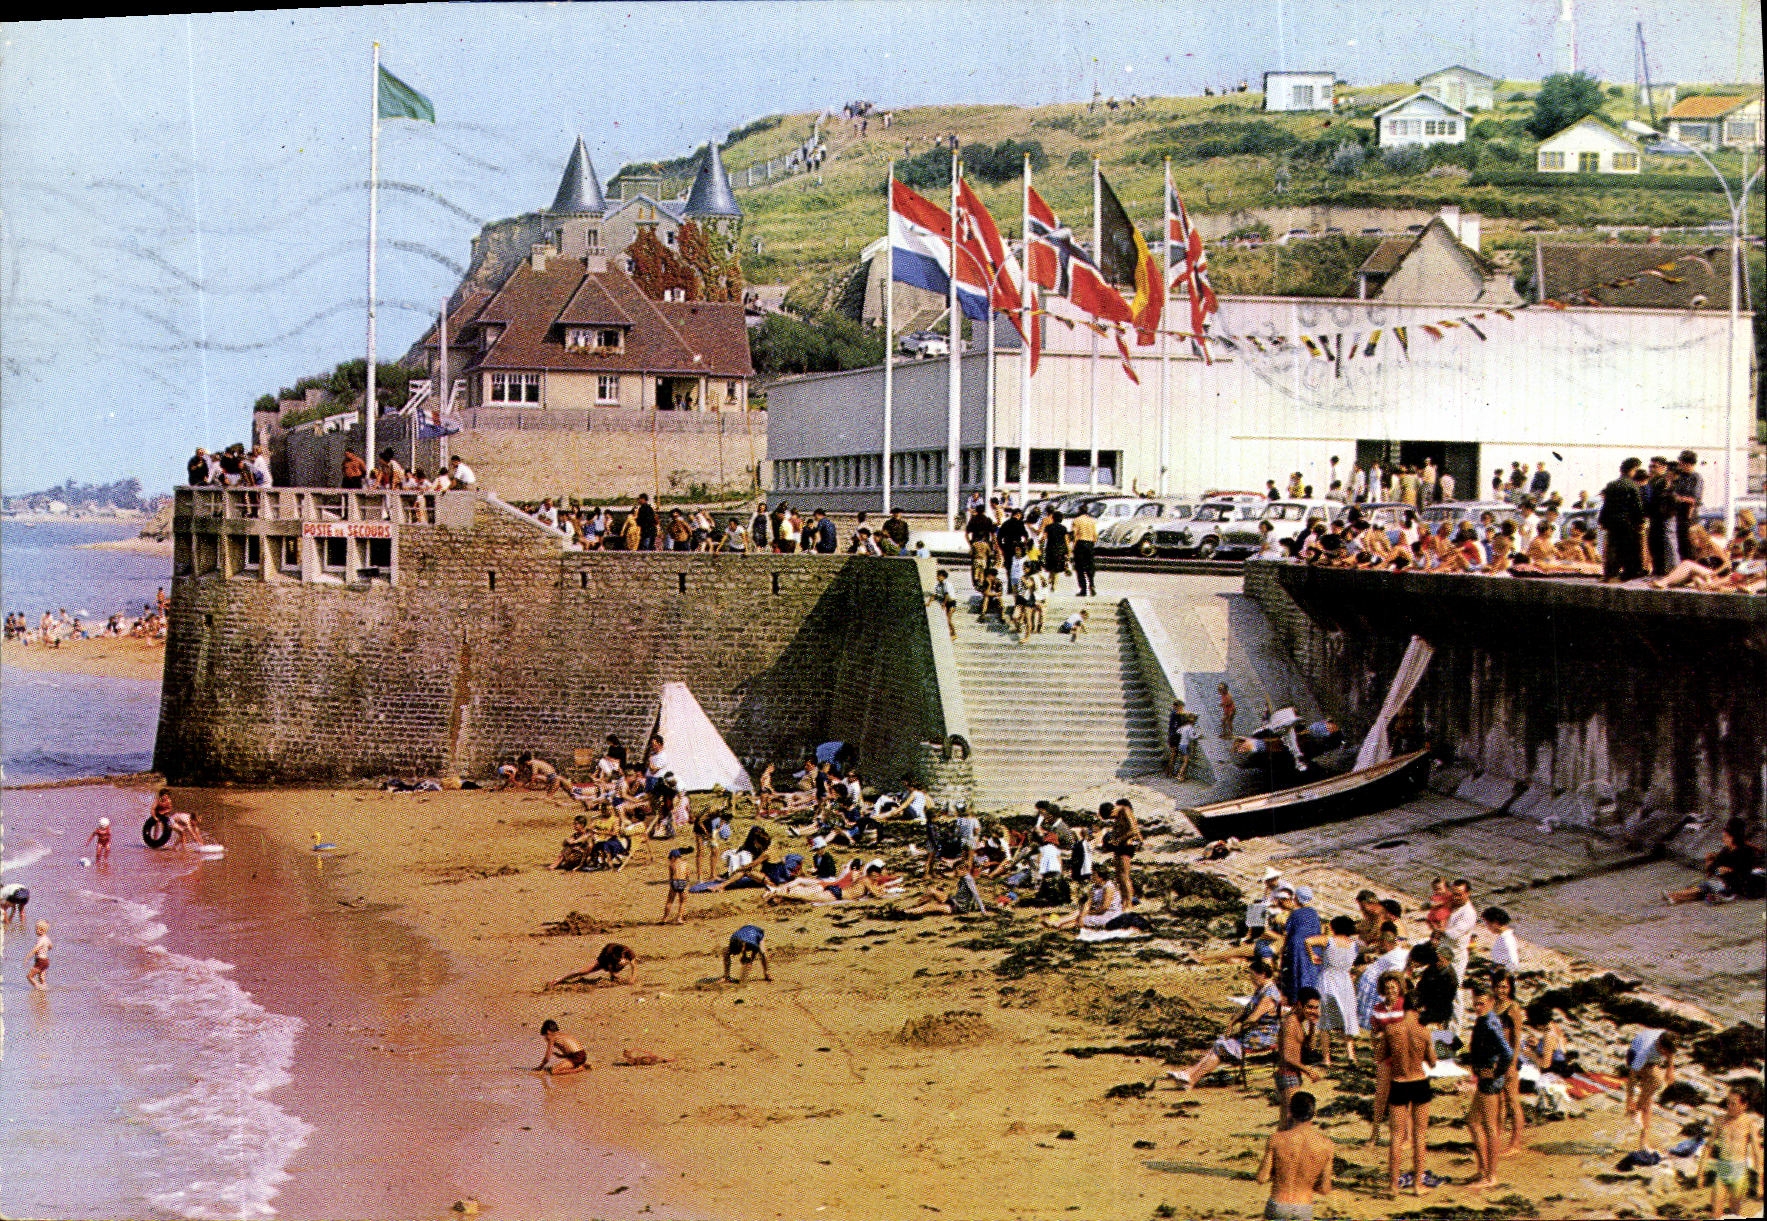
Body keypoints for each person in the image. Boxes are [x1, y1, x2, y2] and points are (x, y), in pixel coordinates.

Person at [1167, 957, 1284, 1088]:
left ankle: (1192, 1079)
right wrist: (1232, 1022)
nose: (1250, 978)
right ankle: (1189, 1074)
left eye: (1252, 975)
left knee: (1221, 1047)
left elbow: (1253, 1017)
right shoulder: (1261, 989)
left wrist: (1239, 1028)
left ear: (1262, 975)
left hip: (1265, 1035)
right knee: (1219, 1044)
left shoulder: (1269, 994)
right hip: (1256, 1032)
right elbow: (1247, 1009)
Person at [1378, 978, 1438, 1197]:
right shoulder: (1424, 1032)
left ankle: (1393, 1185)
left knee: (1396, 1137)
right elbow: (1432, 1061)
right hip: (1419, 1081)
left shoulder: (1392, 1029)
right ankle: (1417, 1185)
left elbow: (1380, 1056)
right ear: (1420, 1008)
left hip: (1399, 1082)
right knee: (1420, 1136)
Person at [1465, 981, 1513, 1188]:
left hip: (1490, 1081)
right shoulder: (1484, 1020)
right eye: (1475, 1004)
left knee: (1489, 1127)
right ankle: (1482, 1169)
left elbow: (1508, 1052)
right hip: (1484, 1078)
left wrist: (1496, 1072)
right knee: (1472, 1123)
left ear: (1491, 1002)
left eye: (1481, 1004)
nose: (1477, 1007)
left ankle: (1491, 1175)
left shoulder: (1490, 1023)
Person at [1694, 1078, 1762, 1221]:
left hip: (1739, 1171)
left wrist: (1760, 1182)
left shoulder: (1750, 1124)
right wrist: (1700, 1173)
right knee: (1715, 1212)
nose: (1729, 1106)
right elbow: (1708, 1147)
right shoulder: (1720, 1121)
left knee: (1734, 1213)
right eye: (1728, 1103)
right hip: (1722, 1169)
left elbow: (1757, 1153)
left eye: (1733, 1104)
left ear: (1744, 1105)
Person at [1306, 915, 1362, 1065]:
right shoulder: (1354, 944)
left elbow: (1308, 941)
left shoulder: (1329, 940)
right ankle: (1351, 1055)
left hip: (1328, 979)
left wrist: (1312, 955)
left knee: (1324, 1021)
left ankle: (1326, 1058)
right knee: (1347, 1018)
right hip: (1345, 980)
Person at [1665, 819, 1762, 904]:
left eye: (1726, 837)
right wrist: (1710, 861)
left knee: (1707, 886)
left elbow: (1744, 870)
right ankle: (1676, 897)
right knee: (1703, 886)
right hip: (1723, 881)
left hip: (1736, 885)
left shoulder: (1745, 851)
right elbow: (1711, 869)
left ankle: (1674, 895)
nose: (1723, 839)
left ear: (1732, 837)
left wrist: (1730, 870)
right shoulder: (1726, 850)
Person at [1623, 1028, 1677, 1153]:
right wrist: (1629, 1100)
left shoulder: (1668, 1038)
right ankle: (1636, 1111)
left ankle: (1643, 1141)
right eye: (1665, 1053)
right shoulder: (1644, 1051)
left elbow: (1671, 1053)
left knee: (1648, 1100)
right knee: (1657, 1082)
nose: (1667, 1056)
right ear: (1660, 1046)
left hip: (1651, 1060)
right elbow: (1632, 1078)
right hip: (1634, 1056)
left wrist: (1670, 1069)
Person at [1276, 989, 1325, 1127]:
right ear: (1299, 1005)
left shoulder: (1300, 1021)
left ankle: (1278, 1146)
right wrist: (1308, 1070)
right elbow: (1286, 1056)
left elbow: (1310, 1048)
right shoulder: (1291, 1023)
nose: (1313, 1011)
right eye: (1309, 1007)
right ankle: (1279, 1147)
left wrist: (1313, 1026)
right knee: (1291, 1120)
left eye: (1316, 1008)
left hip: (1292, 1074)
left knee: (1287, 1120)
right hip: (1287, 1074)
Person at [1598, 458, 1647, 582]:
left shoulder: (1611, 485)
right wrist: (1641, 521)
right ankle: (1628, 573)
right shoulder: (1632, 486)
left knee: (1612, 548)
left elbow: (1606, 505)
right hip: (1627, 522)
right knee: (1628, 548)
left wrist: (1602, 520)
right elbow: (1637, 506)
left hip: (1612, 522)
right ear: (1632, 469)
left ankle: (1610, 573)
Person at [1277, 886, 1322, 1005]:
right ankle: (1310, 998)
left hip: (1297, 945)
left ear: (1297, 898)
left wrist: (1282, 950)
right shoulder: (1314, 913)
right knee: (1310, 971)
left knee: (1296, 970)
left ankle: (1296, 999)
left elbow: (1288, 932)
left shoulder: (1295, 913)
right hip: (1313, 945)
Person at [550, 943, 638, 989]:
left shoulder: (630, 954)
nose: (622, 963)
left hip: (615, 954)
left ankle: (614, 976)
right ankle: (560, 979)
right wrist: (615, 975)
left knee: (617, 970)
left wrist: (632, 979)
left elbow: (634, 967)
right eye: (620, 962)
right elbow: (611, 968)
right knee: (583, 971)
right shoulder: (611, 955)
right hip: (605, 955)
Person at [1105, 798, 1141, 908]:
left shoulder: (1125, 810)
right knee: (1119, 876)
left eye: (1111, 817)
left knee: (1125, 876)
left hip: (1127, 846)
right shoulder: (1119, 815)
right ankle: (1124, 901)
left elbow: (1134, 830)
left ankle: (1129, 903)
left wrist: (1120, 839)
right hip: (1120, 846)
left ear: (1112, 811)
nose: (1112, 819)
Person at [1070, 504, 1098, 597]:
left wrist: (1073, 546)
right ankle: (1092, 584)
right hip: (1089, 543)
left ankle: (1083, 589)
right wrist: (1092, 543)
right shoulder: (1092, 521)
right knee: (1090, 566)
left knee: (1080, 567)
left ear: (1079, 511)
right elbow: (1095, 535)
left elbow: (1074, 534)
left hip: (1080, 543)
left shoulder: (1076, 520)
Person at [1482, 907, 1520, 973]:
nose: (1487, 927)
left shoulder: (1506, 939)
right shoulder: (1503, 936)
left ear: (1496, 923)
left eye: (1487, 924)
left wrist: (1504, 975)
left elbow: (1513, 962)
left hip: (1502, 976)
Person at [661, 847, 692, 924]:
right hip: (682, 882)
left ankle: (664, 919)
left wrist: (672, 885)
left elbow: (670, 877)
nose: (670, 859)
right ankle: (679, 918)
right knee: (682, 901)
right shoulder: (685, 863)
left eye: (670, 858)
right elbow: (687, 875)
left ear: (673, 857)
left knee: (670, 901)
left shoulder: (672, 864)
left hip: (674, 881)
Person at [926, 569, 957, 639]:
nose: (937, 577)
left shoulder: (947, 584)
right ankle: (951, 633)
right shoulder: (938, 586)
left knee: (948, 620)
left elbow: (947, 595)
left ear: (943, 577)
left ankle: (954, 633)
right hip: (946, 603)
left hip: (951, 603)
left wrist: (943, 603)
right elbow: (935, 595)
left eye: (938, 576)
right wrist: (929, 602)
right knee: (947, 620)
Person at [26, 919, 52, 990]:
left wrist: (27, 957)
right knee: (41, 977)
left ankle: (38, 987)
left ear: (41, 930)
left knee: (29, 976)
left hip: (40, 961)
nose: (35, 931)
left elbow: (35, 949)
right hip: (46, 961)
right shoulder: (47, 939)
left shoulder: (41, 939)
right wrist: (45, 949)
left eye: (36, 929)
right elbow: (50, 946)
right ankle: (44, 989)